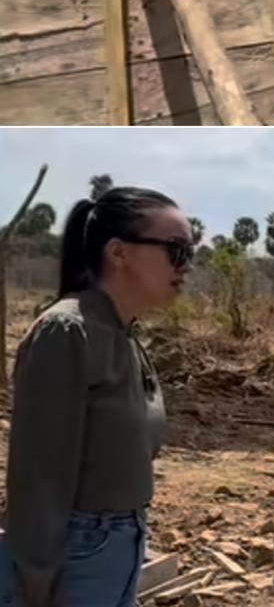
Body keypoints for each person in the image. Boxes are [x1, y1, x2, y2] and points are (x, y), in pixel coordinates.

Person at [1, 186, 192, 607]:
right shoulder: (67, 331)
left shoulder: (123, 334)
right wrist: (36, 576)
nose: (186, 266)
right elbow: (39, 471)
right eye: (176, 250)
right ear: (119, 252)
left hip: (117, 546)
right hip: (77, 551)